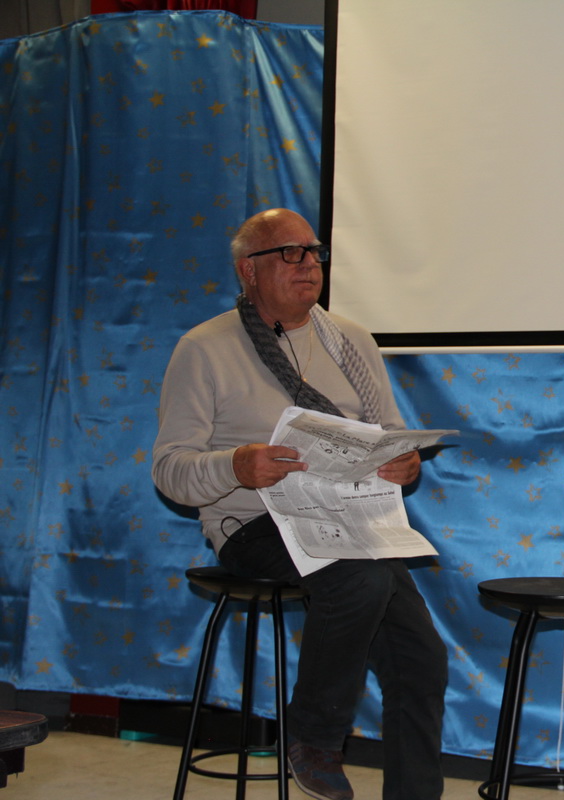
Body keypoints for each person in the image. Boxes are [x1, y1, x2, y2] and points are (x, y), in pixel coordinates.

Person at [152, 208, 448, 800]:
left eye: (314, 252)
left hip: (350, 518)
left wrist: (403, 463)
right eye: (290, 253)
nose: (309, 264)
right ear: (249, 270)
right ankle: (314, 738)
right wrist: (236, 465)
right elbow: (169, 471)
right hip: (253, 522)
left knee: (421, 656)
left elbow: (389, 435)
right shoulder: (204, 348)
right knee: (361, 581)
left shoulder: (351, 341)